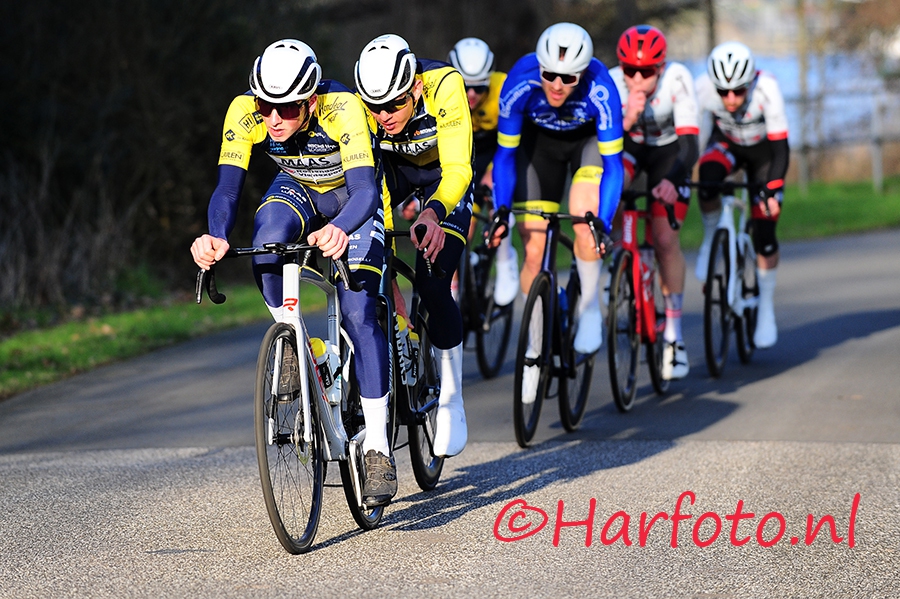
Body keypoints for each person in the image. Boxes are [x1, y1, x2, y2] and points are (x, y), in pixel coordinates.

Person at [189, 39, 397, 506]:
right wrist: (216, 236)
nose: (273, 119)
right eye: (265, 106)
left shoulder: (342, 108)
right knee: (267, 242)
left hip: (353, 196)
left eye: (285, 109)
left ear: (311, 100)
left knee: (359, 314)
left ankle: (378, 448)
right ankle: (298, 346)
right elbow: (227, 190)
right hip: (298, 186)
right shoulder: (244, 111)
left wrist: (341, 229)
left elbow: (365, 190)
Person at [354, 33, 473, 457]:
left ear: (416, 88)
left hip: (443, 177)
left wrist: (434, 213)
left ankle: (452, 398)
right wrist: (385, 260)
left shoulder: (444, 84)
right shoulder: (362, 109)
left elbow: (459, 167)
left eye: (395, 104)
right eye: (375, 107)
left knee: (432, 281)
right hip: (395, 175)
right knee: (370, 275)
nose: (384, 115)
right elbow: (370, 185)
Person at [491, 22, 624, 357]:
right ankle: (535, 344)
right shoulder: (519, 82)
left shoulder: (602, 88)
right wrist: (501, 210)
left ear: (583, 74)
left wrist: (604, 222)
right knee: (534, 248)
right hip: (539, 147)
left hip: (587, 144)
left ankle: (589, 308)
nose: (557, 85)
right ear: (539, 67)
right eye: (549, 75)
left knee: (584, 217)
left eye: (568, 78)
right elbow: (505, 156)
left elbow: (614, 166)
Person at [609, 24, 699, 379]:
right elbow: (603, 148)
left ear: (660, 68)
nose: (636, 78)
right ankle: (619, 258)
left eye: (646, 71)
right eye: (629, 70)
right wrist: (628, 116)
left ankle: (674, 334)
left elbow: (690, 146)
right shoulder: (613, 83)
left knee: (664, 239)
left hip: (669, 154)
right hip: (631, 148)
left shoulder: (678, 79)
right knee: (611, 185)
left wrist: (672, 181)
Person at [694, 41, 788, 349]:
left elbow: (781, 149)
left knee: (765, 232)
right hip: (728, 146)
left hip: (764, 155)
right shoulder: (702, 88)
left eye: (738, 90)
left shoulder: (767, 88)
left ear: (750, 82)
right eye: (724, 92)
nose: (731, 99)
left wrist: (772, 190)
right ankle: (711, 238)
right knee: (707, 178)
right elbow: (692, 140)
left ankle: (766, 309)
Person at [448, 37, 518, 307]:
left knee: (497, 199)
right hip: (464, 151)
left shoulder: (504, 88)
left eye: (479, 87)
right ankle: (453, 293)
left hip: (498, 149)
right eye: (465, 86)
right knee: (460, 228)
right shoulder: (443, 91)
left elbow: (513, 145)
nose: (471, 94)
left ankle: (505, 258)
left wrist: (492, 173)